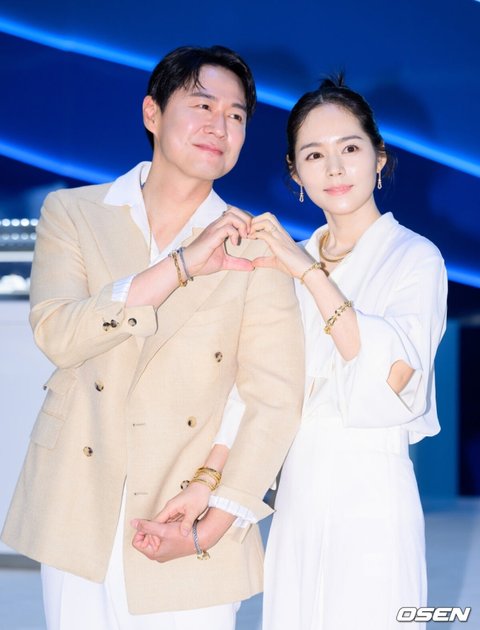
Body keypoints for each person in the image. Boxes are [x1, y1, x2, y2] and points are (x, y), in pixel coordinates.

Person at [1, 45, 305, 630]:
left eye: (237, 115)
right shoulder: (74, 214)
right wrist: (181, 266)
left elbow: (273, 396)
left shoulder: (258, 246)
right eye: (203, 105)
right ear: (152, 113)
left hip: (184, 506)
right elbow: (59, 333)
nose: (220, 126)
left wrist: (213, 519)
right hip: (76, 506)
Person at [248, 77, 448, 630]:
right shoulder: (287, 260)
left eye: (350, 148)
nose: (334, 169)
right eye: (314, 154)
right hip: (297, 493)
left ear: (379, 158)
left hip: (372, 491)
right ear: (295, 173)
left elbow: (393, 377)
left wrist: (308, 274)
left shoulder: (416, 258)